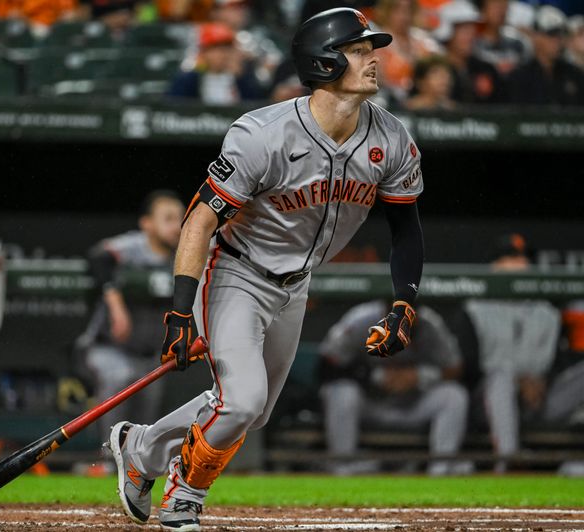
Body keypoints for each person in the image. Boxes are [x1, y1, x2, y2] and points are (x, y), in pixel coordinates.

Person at [108, 8, 425, 530]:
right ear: (326, 62)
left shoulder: (390, 138)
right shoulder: (263, 134)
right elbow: (198, 221)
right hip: (236, 272)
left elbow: (406, 228)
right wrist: (181, 310)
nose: (374, 59)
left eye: (373, 49)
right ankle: (184, 494)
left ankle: (140, 446)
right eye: (361, 50)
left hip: (295, 285)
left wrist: (403, 301)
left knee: (250, 411)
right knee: (242, 399)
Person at [77, 190, 185, 474]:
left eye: (180, 219)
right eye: (168, 219)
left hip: (149, 356)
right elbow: (98, 256)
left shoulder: (184, 253)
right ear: (147, 223)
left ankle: (134, 469)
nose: (177, 226)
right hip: (108, 347)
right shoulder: (133, 246)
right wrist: (115, 302)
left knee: (146, 419)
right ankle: (104, 463)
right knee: (119, 376)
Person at [463, 234, 584, 473]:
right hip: (488, 404)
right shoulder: (473, 309)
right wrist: (518, 381)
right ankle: (509, 461)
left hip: (539, 400)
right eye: (510, 257)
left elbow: (561, 363)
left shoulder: (548, 312)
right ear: (494, 266)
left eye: (523, 258)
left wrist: (542, 382)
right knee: (501, 375)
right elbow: (467, 368)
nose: (520, 264)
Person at [320, 301, 469, 476]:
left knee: (454, 396)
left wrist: (419, 376)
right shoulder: (362, 319)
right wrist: (372, 376)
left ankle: (441, 469)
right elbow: (325, 365)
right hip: (371, 403)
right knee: (342, 391)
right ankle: (342, 465)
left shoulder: (430, 324)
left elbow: (455, 369)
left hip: (413, 404)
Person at [168, 22, 264, 105]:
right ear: (204, 52)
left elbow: (255, 107)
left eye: (227, 49)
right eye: (216, 49)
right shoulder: (190, 79)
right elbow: (173, 108)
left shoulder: (242, 79)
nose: (223, 54)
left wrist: (241, 79)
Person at [507, 5, 584, 106]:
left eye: (560, 35)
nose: (557, 41)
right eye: (551, 35)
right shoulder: (519, 76)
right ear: (535, 37)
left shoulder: (574, 74)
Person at [434, 0, 506, 104]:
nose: (471, 36)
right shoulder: (435, 70)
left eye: (473, 30)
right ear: (447, 33)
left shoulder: (486, 69)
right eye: (464, 30)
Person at [373, 0, 442, 104]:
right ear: (386, 11)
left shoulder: (424, 41)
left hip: (423, 100)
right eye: (397, 9)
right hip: (390, 100)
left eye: (408, 9)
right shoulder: (378, 42)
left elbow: (440, 67)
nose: (404, 15)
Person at [472, 0, 531, 77]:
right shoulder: (471, 44)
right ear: (482, 8)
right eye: (496, 5)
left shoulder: (518, 43)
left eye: (504, 4)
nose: (501, 10)